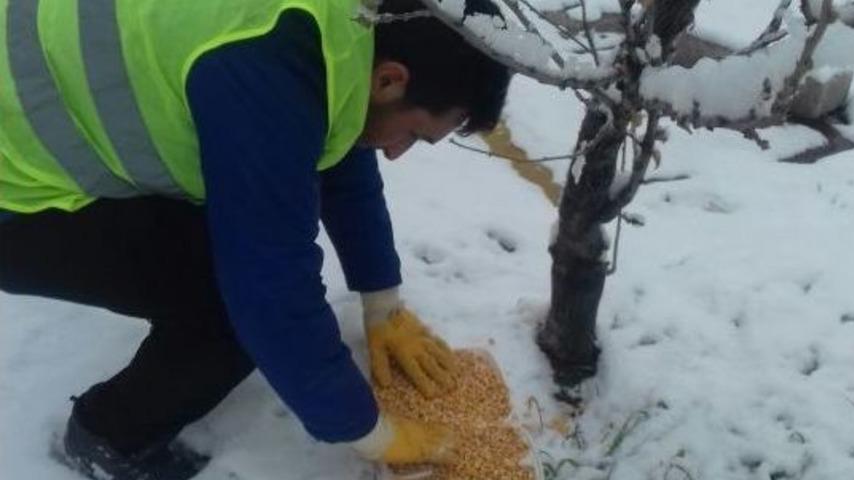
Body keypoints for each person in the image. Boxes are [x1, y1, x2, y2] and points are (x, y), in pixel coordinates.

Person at [0, 0, 512, 478]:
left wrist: (381, 300)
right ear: (390, 79)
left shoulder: (339, 25)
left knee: (247, 236)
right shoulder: (265, 69)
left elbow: (336, 136)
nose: (398, 154)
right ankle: (109, 436)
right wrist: (373, 434)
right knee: (231, 304)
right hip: (15, 194)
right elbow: (268, 294)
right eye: (415, 135)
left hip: (33, 97)